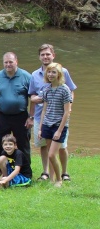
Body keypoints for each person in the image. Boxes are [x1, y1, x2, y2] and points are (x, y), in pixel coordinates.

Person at [28, 44, 77, 182]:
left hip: (60, 117)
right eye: (43, 54)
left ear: (53, 55)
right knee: (44, 146)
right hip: (41, 117)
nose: (45, 57)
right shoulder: (35, 75)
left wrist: (69, 106)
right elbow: (32, 96)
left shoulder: (63, 72)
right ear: (39, 57)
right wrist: (35, 103)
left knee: (61, 146)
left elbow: (70, 91)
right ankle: (46, 173)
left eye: (48, 54)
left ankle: (64, 173)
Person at [0, 52, 32, 178]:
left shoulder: (26, 76)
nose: (8, 64)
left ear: (16, 61)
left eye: (11, 62)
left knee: (23, 143)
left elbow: (33, 98)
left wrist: (31, 117)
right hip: (2, 116)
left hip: (21, 116)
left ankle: (25, 169)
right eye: (6, 62)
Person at [37, 63, 72, 187]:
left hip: (59, 126)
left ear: (59, 74)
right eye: (49, 72)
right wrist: (40, 128)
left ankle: (59, 180)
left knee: (52, 154)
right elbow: (44, 110)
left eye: (54, 72)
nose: (51, 75)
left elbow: (67, 112)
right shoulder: (46, 89)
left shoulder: (64, 89)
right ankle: (51, 179)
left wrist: (59, 130)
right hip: (47, 124)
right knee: (49, 153)